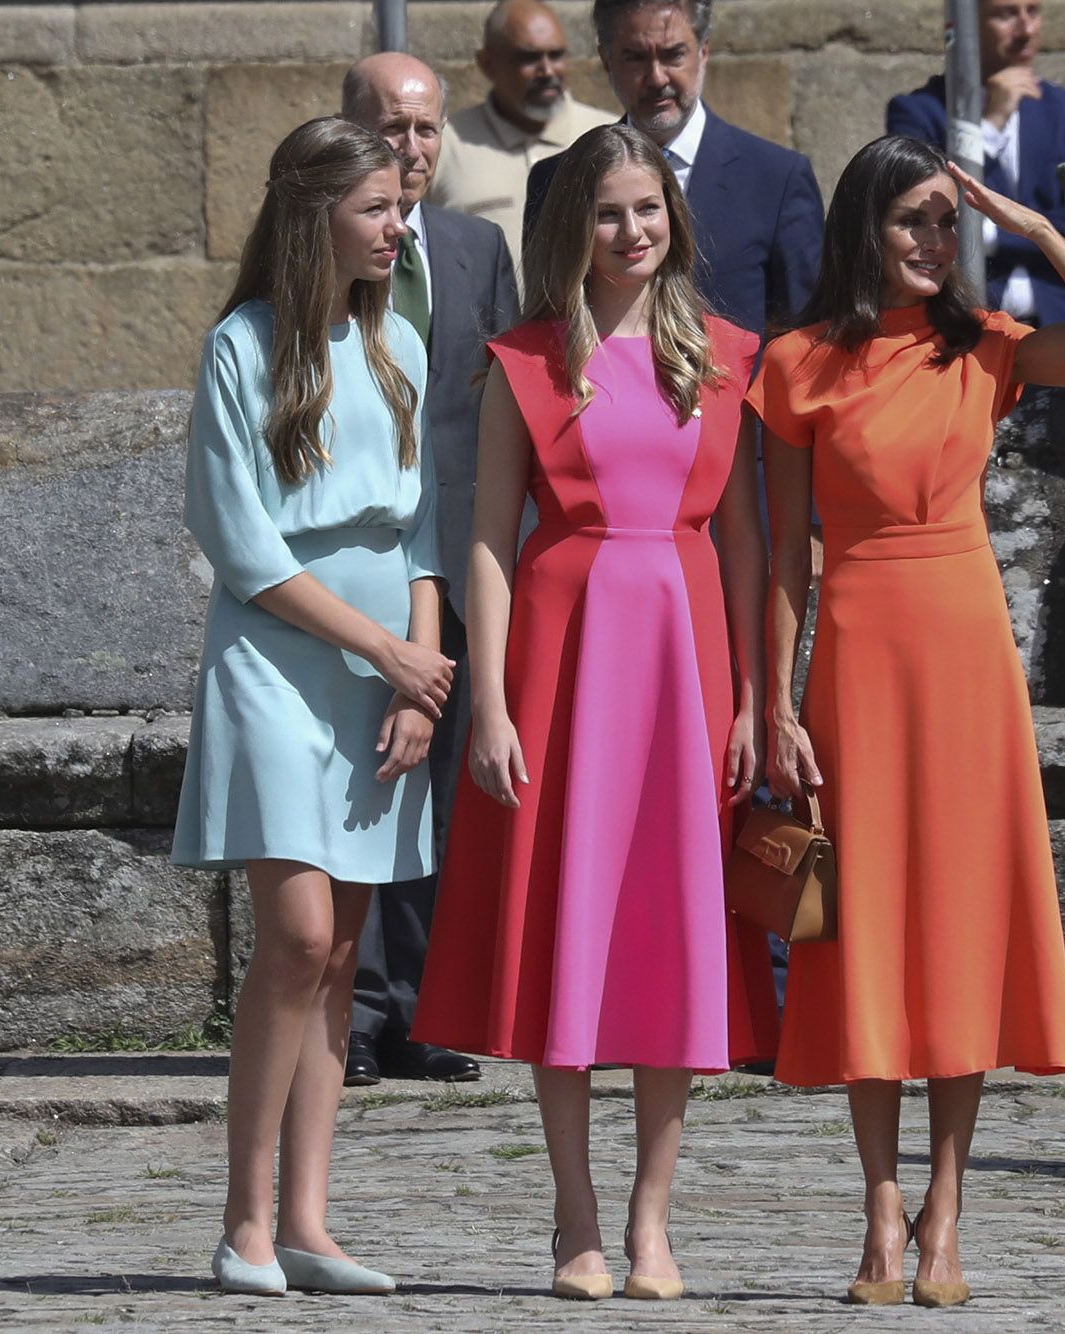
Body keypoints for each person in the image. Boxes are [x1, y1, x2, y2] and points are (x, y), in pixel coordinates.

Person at [751, 134, 1065, 1308]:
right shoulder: (795, 365)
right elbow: (783, 555)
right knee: (866, 926)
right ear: (862, 229)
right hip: (858, 653)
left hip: (967, 650)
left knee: (961, 925)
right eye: (911, 221)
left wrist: (1033, 230)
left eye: (946, 221)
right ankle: (879, 1207)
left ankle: (946, 1212)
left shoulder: (985, 350)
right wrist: (773, 700)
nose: (933, 242)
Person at [409, 124, 779, 1302]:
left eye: (649, 208)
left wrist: (756, 703)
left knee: (675, 934)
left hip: (684, 659)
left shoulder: (726, 355)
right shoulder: (523, 359)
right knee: (564, 926)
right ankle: (574, 1214)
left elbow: (743, 539)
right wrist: (494, 703)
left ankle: (653, 1219)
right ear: (574, 226)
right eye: (610, 212)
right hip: (565, 658)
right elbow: (488, 534)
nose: (634, 230)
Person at [173, 116, 450, 1296]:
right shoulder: (241, 346)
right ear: (318, 213)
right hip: (280, 666)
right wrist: (383, 650)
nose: (398, 226)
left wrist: (423, 681)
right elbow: (241, 543)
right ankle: (240, 1220)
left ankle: (307, 1218)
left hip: (384, 677)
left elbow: (425, 534)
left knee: (341, 951)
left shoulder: (400, 351)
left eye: (401, 206)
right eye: (379, 207)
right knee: (291, 935)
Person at [339, 52, 519, 1090]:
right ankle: (353, 1011)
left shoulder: (473, 248)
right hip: (351, 567)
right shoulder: (317, 248)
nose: (409, 148)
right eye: (389, 127)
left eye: (423, 129)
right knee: (363, 784)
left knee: (443, 796)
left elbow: (500, 411)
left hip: (454, 561)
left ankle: (420, 1006)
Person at [523, 0, 824, 338]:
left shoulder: (776, 179)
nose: (656, 77)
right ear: (606, 60)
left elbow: (805, 339)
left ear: (704, 51)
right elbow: (545, 324)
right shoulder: (556, 181)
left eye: (673, 55)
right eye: (635, 57)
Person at [886, 0, 1065, 325]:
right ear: (966, 24)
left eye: (1033, 11)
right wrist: (992, 124)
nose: (1026, 29)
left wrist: (988, 235)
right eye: (1006, 14)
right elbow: (924, 216)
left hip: (1060, 324)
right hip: (965, 322)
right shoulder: (918, 112)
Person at [429, 0, 614, 284]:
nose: (547, 71)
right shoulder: (444, 145)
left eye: (556, 55)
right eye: (529, 58)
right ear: (486, 63)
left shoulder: (608, 135)